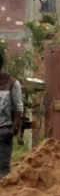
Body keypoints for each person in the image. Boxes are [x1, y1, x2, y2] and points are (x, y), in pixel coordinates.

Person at [0, 51, 24, 179]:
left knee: (3, 173)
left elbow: (18, 108)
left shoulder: (12, 83)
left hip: (3, 134)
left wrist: (11, 131)